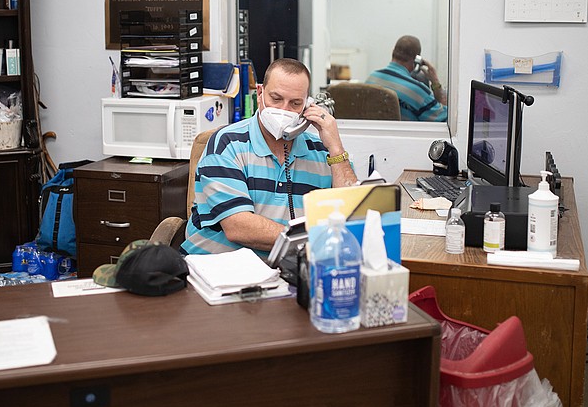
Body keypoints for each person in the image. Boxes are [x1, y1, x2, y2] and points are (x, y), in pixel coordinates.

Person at [181, 58, 357, 257]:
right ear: (260, 93)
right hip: (213, 271)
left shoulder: (322, 152)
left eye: (295, 103)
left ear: (308, 106)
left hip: (284, 275)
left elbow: (353, 217)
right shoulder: (227, 144)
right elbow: (239, 227)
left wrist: (335, 147)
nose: (283, 110)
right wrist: (315, 240)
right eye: (276, 98)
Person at [365, 35, 447, 121]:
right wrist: (435, 82)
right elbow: (445, 120)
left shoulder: (371, 79)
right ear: (417, 60)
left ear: (393, 52)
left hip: (374, 133)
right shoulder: (418, 92)